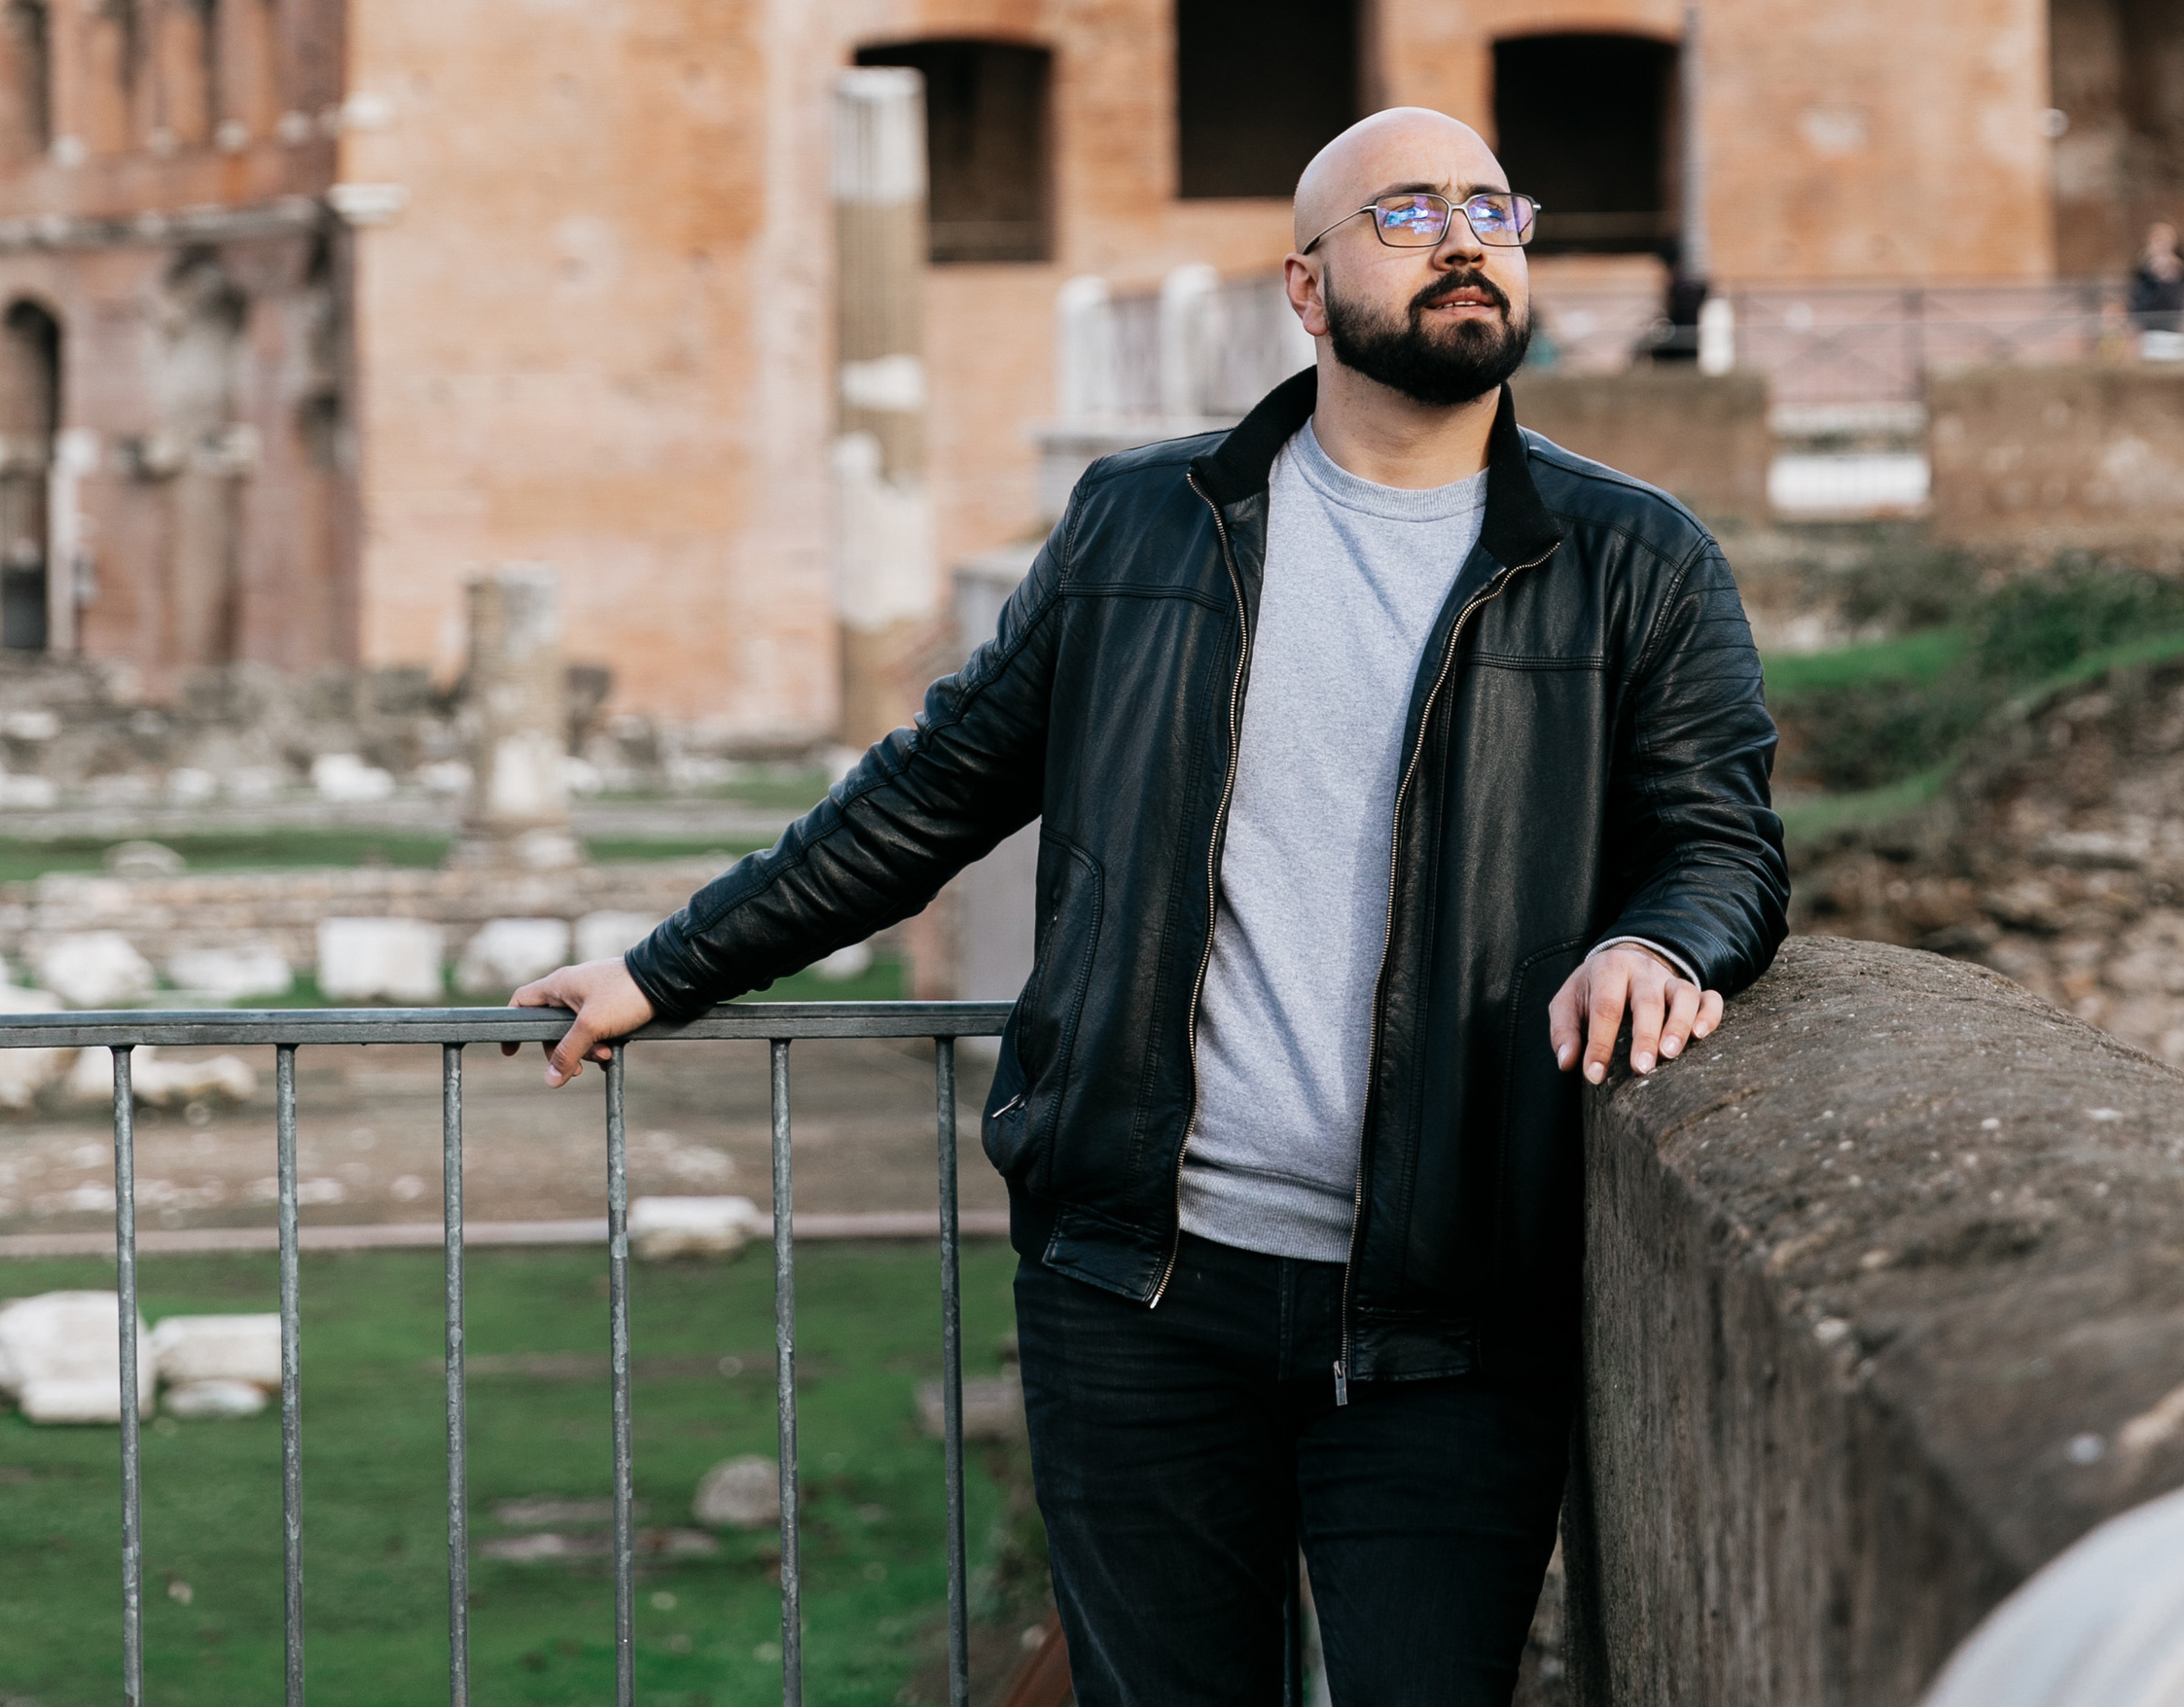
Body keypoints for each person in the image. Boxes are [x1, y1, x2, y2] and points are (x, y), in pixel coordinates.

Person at [509, 103, 1787, 1706]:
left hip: (1455, 1318)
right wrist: (662, 969)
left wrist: (1658, 939)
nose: (1465, 236)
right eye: (1403, 214)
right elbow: (936, 790)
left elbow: (1722, 839)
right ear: (1307, 294)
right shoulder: (1142, 523)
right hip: (1138, 1293)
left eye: (1491, 206)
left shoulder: (1636, 561)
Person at [2128, 220, 2184, 348]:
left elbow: (2182, 291)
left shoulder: (2180, 264)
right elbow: (2137, 294)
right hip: (2147, 322)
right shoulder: (2142, 266)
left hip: (2172, 321)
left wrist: (2172, 271)